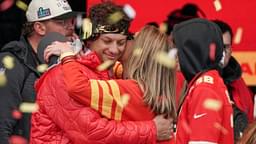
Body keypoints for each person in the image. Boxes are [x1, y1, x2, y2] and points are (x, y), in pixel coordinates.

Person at [30, 2, 173, 143]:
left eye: (121, 43)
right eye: (107, 41)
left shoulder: (113, 72)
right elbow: (90, 134)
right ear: (89, 39)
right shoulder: (62, 74)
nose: (114, 49)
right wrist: (152, 129)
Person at [55, 25, 176, 143]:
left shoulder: (129, 89)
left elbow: (77, 87)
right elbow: (119, 70)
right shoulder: (151, 89)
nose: (121, 46)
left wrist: (67, 55)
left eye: (130, 38)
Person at [0, 0, 78, 142]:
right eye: (61, 22)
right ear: (40, 28)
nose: (70, 27)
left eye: (71, 21)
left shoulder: (67, 61)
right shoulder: (12, 62)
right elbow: (2, 126)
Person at [173, 18, 234, 143]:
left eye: (180, 49)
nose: (176, 55)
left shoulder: (205, 89)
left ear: (192, 51)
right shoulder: (209, 83)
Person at [213, 19, 254, 141]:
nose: (222, 53)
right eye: (218, 47)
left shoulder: (240, 83)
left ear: (231, 49)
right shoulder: (192, 81)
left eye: (225, 47)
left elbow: (250, 124)